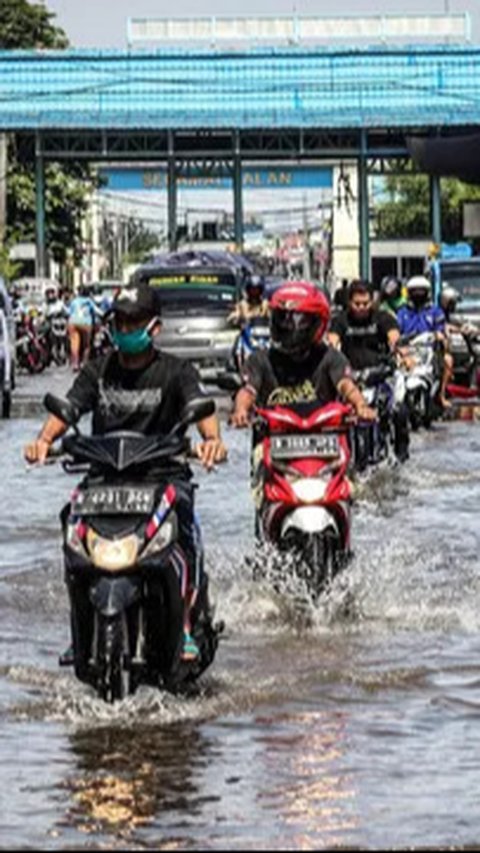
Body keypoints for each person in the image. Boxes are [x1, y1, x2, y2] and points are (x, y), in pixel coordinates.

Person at [24, 281, 228, 663]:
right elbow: (68, 409)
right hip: (105, 481)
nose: (126, 330)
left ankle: (183, 624)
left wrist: (211, 442)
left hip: (162, 478)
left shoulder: (176, 371)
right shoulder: (97, 370)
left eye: (134, 322)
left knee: (184, 525)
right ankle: (81, 626)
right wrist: (42, 441)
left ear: (154, 328)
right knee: (71, 522)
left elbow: (203, 410)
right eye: (120, 322)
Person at [231, 280, 376, 426]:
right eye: (283, 318)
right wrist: (241, 410)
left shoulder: (330, 357)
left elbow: (346, 385)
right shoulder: (260, 359)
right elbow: (248, 390)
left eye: (300, 321)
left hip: (325, 434)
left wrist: (360, 405)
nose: (289, 326)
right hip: (273, 437)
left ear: (318, 323)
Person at [397, 275, 452, 408]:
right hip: (408, 350)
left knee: (448, 360)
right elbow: (396, 332)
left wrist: (440, 336)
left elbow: (440, 329)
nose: (418, 294)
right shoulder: (402, 312)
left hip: (429, 349)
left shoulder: (435, 311)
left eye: (421, 291)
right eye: (415, 291)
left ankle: (441, 395)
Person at [328, 279, 402, 371]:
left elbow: (394, 335)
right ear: (350, 302)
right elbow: (332, 341)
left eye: (365, 303)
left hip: (380, 371)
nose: (361, 307)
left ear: (372, 301)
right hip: (350, 373)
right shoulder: (341, 320)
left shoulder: (383, 317)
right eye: (357, 304)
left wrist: (396, 345)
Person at [67, 285, 100, 371]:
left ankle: (75, 364)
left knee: (74, 344)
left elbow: (69, 312)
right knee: (87, 345)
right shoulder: (89, 301)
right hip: (86, 323)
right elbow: (97, 311)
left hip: (73, 322)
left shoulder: (74, 301)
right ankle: (84, 364)